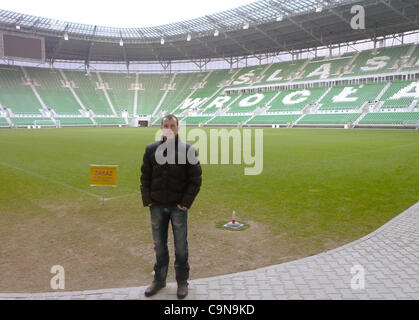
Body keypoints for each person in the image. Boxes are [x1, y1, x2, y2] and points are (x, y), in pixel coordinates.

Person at [140, 114, 202, 299]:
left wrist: (185, 203)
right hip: (157, 206)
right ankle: (159, 280)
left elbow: (195, 180)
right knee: (159, 245)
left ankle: (182, 282)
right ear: (161, 128)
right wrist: (148, 199)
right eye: (165, 125)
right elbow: (145, 176)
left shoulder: (188, 150)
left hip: (178, 208)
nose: (169, 128)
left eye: (172, 125)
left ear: (178, 128)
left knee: (181, 246)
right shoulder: (151, 150)